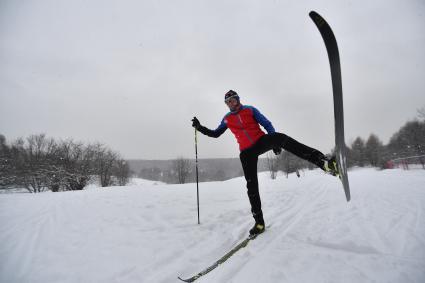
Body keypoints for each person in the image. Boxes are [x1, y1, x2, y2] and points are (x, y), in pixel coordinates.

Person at [191, 90, 338, 236]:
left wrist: (275, 144)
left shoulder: (250, 110)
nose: (231, 104)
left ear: (238, 99)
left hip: (260, 142)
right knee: (251, 186)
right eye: (228, 102)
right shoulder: (227, 119)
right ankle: (259, 223)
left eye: (233, 100)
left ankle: (323, 163)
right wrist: (200, 128)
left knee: (280, 137)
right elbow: (215, 134)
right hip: (246, 152)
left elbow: (267, 124)